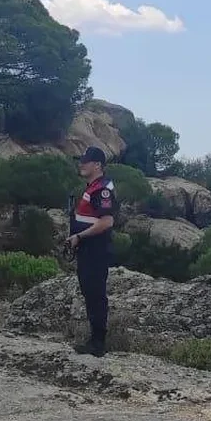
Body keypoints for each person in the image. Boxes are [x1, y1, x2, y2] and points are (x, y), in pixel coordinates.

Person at [65, 146, 118, 357]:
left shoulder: (102, 190)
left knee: (95, 294)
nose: (81, 164)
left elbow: (106, 222)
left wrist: (79, 236)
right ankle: (94, 340)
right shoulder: (92, 187)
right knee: (89, 292)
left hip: (96, 249)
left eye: (85, 161)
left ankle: (98, 343)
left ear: (97, 165)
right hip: (87, 248)